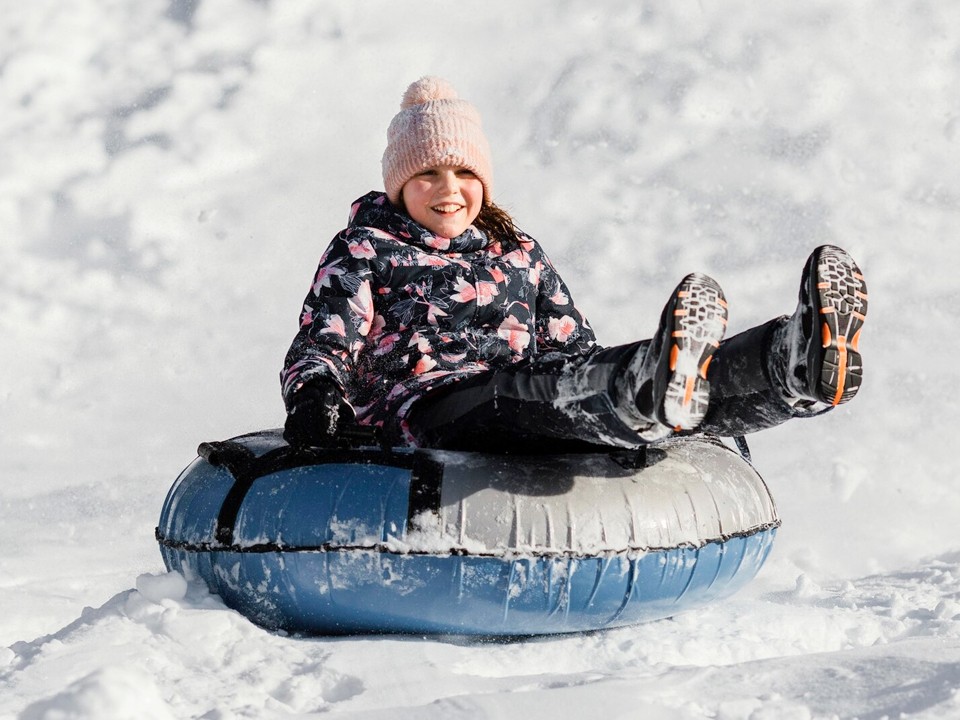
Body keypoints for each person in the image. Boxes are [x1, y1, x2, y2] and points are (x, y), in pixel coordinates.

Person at [281, 77, 868, 453]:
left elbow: (571, 345)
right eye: (427, 174)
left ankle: (786, 368)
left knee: (591, 374)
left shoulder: (519, 252)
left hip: (526, 395)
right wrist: (315, 397)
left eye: (465, 174)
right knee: (521, 394)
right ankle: (647, 393)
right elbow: (324, 341)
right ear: (399, 184)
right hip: (425, 409)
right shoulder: (366, 248)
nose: (449, 189)